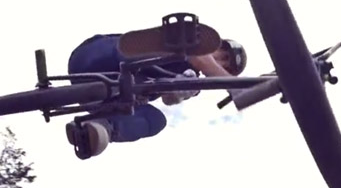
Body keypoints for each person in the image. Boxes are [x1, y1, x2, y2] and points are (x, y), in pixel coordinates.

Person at [65, 33, 247, 158]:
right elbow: (199, 57)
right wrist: (235, 86)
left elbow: (168, 99)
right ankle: (124, 85)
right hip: (98, 57)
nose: (219, 60)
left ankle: (99, 128)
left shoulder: (195, 82)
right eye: (222, 53)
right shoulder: (193, 39)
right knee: (171, 56)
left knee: (156, 120)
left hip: (107, 95)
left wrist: (176, 93)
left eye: (225, 64)